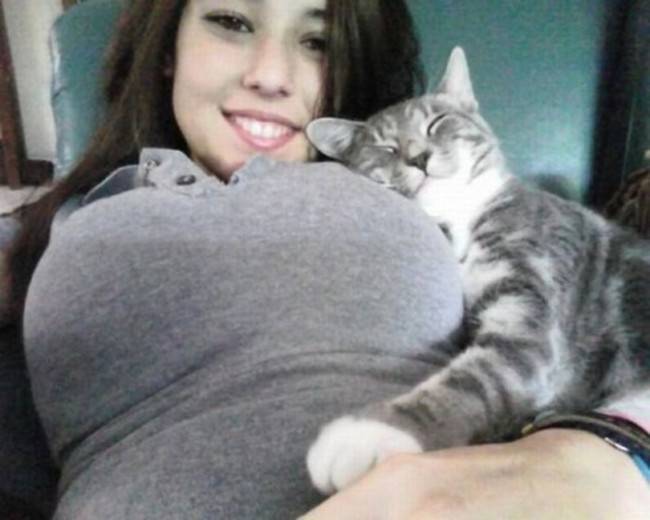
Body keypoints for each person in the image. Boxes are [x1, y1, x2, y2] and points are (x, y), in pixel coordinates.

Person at [5, 0, 649, 518]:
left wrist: (614, 453)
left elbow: (574, 335)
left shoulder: (424, 200)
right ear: (168, 48)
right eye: (231, 21)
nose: (269, 75)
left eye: (317, 41)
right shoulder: (61, 216)